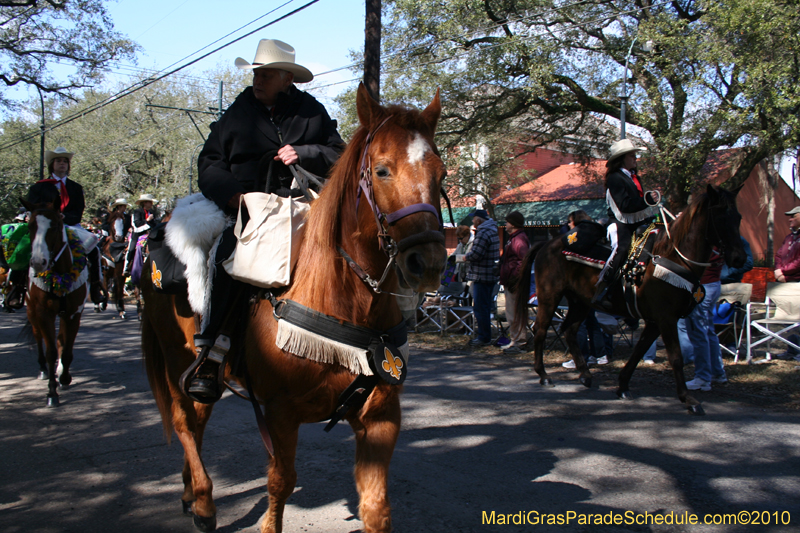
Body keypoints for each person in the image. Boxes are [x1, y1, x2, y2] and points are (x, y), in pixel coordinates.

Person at [184, 38, 346, 403]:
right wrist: (233, 196)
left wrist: (305, 152)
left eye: (267, 74)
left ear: (287, 78)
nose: (258, 79)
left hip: (301, 205)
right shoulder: (237, 112)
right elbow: (209, 163)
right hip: (246, 205)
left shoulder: (312, 111)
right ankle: (211, 353)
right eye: (257, 73)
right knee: (227, 253)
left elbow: (340, 154)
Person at [592, 139, 659, 304]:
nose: (635, 158)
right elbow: (624, 205)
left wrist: (648, 205)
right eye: (632, 156)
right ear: (622, 159)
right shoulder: (615, 178)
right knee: (621, 249)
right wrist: (647, 200)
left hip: (636, 222)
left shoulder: (634, 178)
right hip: (619, 223)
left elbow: (638, 203)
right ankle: (605, 289)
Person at [38, 147, 106, 305]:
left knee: (94, 249)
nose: (62, 164)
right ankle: (17, 287)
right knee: (26, 245)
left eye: (65, 161)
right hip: (46, 227)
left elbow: (78, 210)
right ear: (52, 164)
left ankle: (96, 286)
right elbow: (35, 207)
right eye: (58, 161)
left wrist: (65, 217)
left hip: (70, 225)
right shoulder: (40, 187)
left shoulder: (75, 188)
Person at [682, 248, 728, 391]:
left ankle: (703, 378)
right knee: (708, 331)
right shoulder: (722, 241)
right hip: (713, 284)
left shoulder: (709, 241)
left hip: (703, 286)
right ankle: (717, 373)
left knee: (698, 333)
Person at [462, 209, 500, 347]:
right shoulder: (493, 230)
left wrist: (465, 257)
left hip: (481, 275)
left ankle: (483, 337)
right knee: (486, 307)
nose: (473, 221)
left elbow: (477, 254)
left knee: (480, 307)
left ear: (478, 220)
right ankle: (485, 335)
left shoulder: (483, 233)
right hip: (491, 275)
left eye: (474, 219)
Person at [498, 211, 530, 354]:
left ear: (513, 223)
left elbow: (523, 260)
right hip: (511, 280)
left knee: (516, 312)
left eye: (507, 222)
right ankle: (514, 340)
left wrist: (515, 278)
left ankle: (519, 342)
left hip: (515, 282)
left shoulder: (519, 240)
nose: (505, 224)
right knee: (511, 313)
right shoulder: (513, 238)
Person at [123, 194, 158, 277]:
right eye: (149, 202)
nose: (151, 204)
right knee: (131, 249)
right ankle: (126, 267)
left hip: (150, 234)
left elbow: (154, 223)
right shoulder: (137, 212)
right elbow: (137, 223)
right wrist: (147, 220)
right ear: (144, 203)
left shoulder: (152, 212)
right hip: (138, 234)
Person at [774, 206, 800, 283]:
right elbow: (778, 256)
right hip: (782, 279)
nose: (790, 219)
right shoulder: (789, 237)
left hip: (796, 281)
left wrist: (782, 271)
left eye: (793, 216)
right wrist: (778, 270)